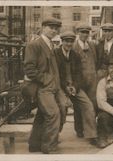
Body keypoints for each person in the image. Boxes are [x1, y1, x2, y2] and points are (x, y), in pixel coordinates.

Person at [24, 18, 70, 154]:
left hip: (55, 87)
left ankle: (34, 143)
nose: (54, 30)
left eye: (56, 28)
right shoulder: (34, 45)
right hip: (44, 88)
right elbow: (29, 69)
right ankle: (48, 146)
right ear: (43, 27)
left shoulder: (51, 45)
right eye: (51, 27)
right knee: (53, 114)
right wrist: (46, 80)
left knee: (60, 109)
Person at [54, 31, 98, 145]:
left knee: (88, 105)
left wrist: (75, 86)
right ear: (62, 41)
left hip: (74, 87)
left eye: (71, 41)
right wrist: (66, 87)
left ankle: (92, 135)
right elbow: (56, 75)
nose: (68, 44)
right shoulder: (55, 54)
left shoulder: (75, 55)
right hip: (60, 87)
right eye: (66, 41)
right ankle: (54, 136)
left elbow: (79, 74)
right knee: (62, 107)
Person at [72, 24, 98, 138]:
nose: (84, 35)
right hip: (79, 82)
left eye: (87, 32)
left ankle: (90, 130)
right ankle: (79, 129)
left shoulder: (92, 45)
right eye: (82, 32)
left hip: (92, 81)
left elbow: (95, 61)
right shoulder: (73, 46)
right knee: (78, 106)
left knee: (92, 105)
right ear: (78, 33)